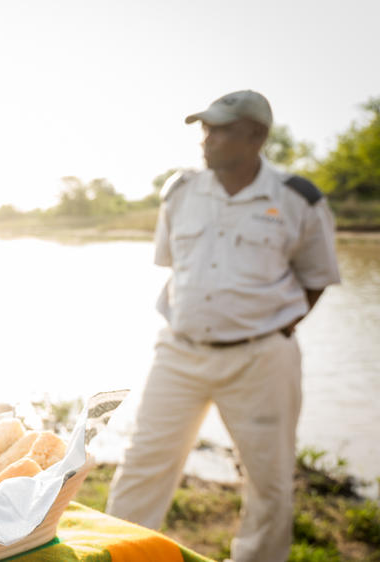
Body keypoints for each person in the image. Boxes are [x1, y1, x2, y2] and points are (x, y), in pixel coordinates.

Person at [106, 91, 341, 562]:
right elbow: (172, 264)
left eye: (220, 130)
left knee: (269, 478)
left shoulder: (298, 198)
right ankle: (120, 555)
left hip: (261, 359)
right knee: (141, 464)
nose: (206, 139)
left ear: (256, 136)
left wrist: (274, 329)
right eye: (205, 128)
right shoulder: (179, 192)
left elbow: (317, 278)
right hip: (179, 352)